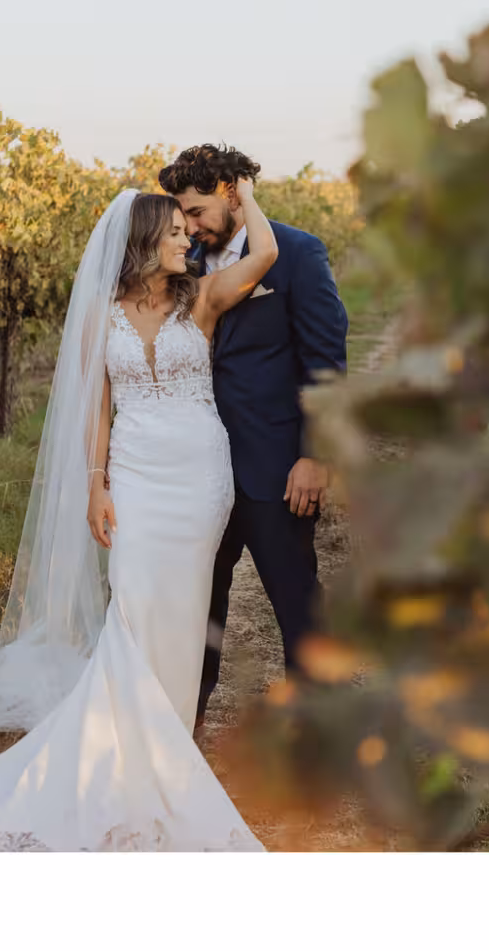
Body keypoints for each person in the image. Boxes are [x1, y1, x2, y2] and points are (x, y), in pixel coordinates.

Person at [0, 182, 277, 852]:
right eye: (176, 231)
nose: (189, 240)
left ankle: (164, 757)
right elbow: (96, 406)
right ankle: (112, 761)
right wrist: (97, 486)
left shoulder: (202, 299)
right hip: (137, 476)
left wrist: (246, 198)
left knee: (181, 618)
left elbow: (263, 251)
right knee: (133, 608)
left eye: (190, 229)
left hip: (200, 478)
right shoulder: (102, 314)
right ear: (144, 241)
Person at [157, 144, 349, 728]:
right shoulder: (180, 264)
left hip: (274, 470)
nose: (187, 227)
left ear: (231, 194)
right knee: (197, 615)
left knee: (298, 610)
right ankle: (179, 741)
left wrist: (314, 456)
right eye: (181, 216)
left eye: (195, 212)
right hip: (197, 476)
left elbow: (325, 364)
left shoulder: (295, 254)